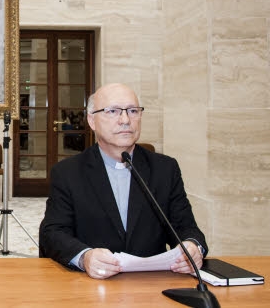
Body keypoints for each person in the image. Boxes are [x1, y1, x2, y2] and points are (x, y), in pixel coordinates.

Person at [39, 83, 208, 279]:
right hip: (91, 286)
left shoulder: (165, 169)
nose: (125, 120)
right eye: (113, 111)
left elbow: (186, 227)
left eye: (133, 111)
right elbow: (52, 233)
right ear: (92, 120)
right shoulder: (68, 172)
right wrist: (85, 257)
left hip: (152, 286)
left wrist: (193, 246)